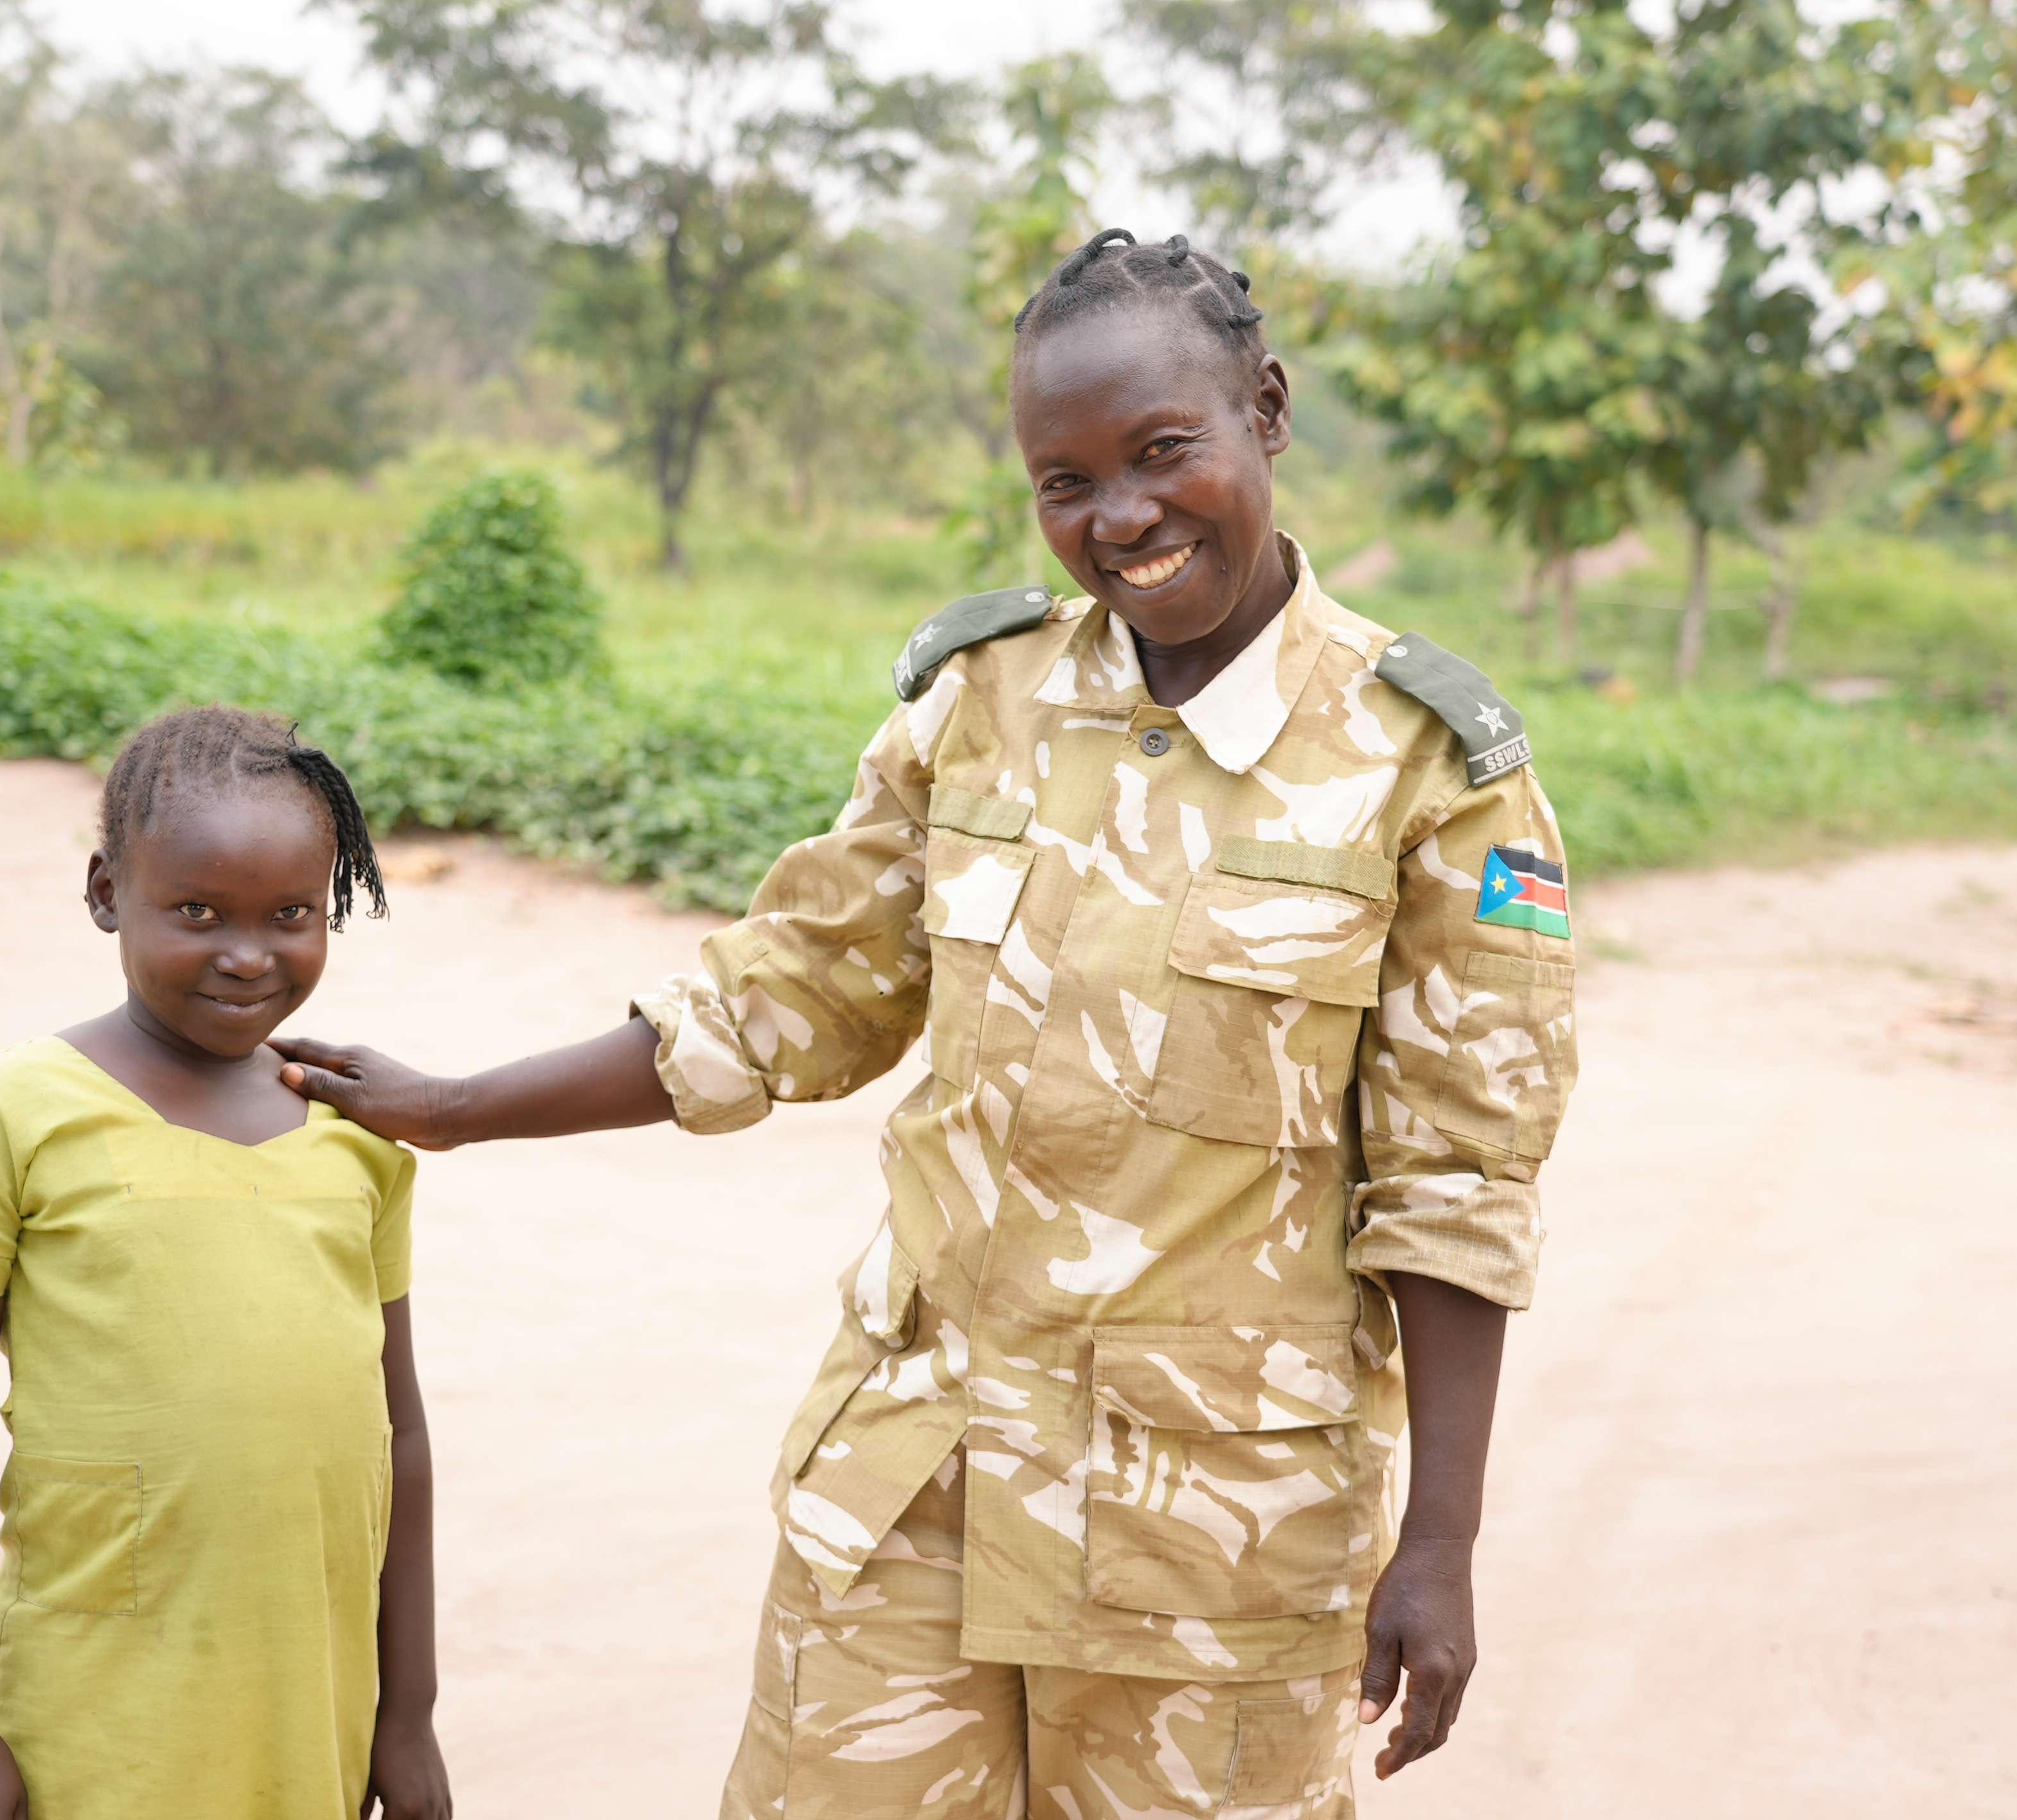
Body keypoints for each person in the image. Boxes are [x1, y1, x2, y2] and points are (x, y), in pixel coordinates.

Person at [280, 228, 1577, 1819]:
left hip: (1214, 1551)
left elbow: (1456, 1190)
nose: (1120, 518)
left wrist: (1433, 1546)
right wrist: (459, 1105)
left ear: (1266, 409)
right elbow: (788, 993)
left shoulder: (1429, 767)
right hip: (913, 1493)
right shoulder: (980, 701)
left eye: (1163, 452)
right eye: (1063, 480)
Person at [0, 706, 451, 1820]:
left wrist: (409, 1713)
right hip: (94, 1716)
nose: (249, 954)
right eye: (197, 911)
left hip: (309, 1706)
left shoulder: (352, 1136)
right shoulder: (10, 1116)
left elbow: (402, 1437)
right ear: (105, 893)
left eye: (292, 914)